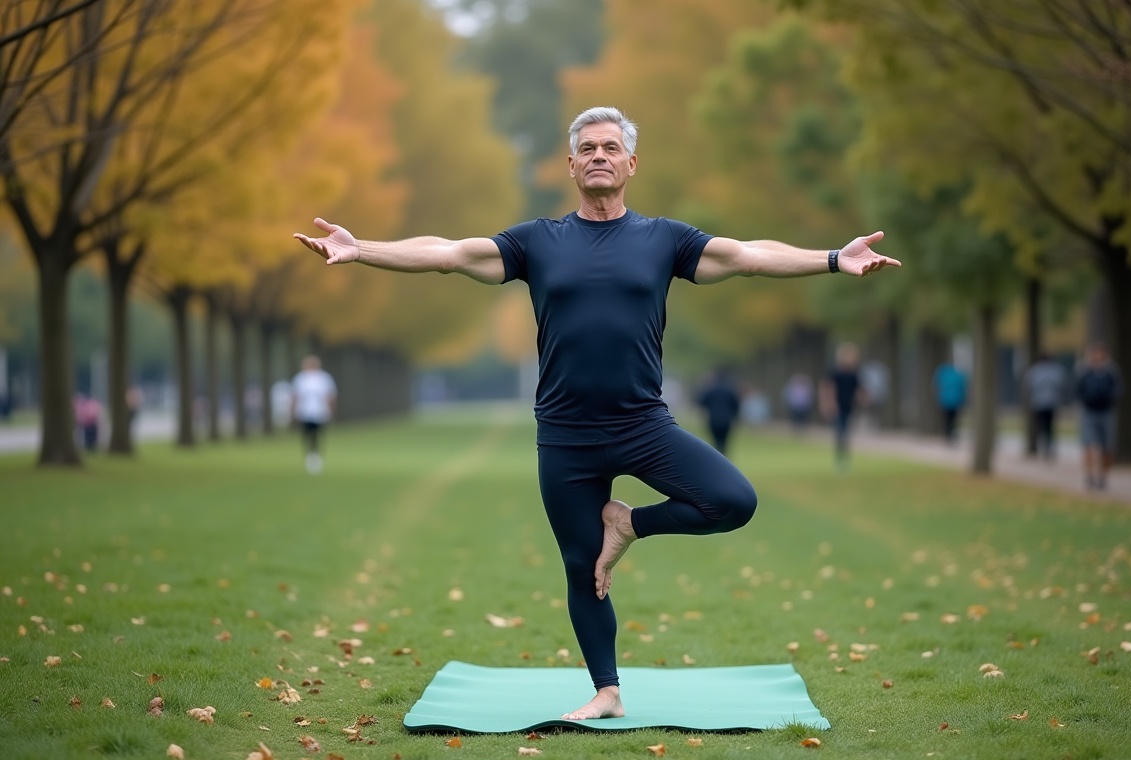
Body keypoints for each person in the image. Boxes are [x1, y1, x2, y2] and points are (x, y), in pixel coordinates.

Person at [294, 106, 900, 721]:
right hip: (566, 438)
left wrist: (831, 257)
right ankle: (606, 690)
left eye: (611, 147)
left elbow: (746, 255)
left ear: (631, 164)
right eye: (588, 148)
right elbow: (449, 252)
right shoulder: (537, 242)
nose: (599, 156)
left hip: (644, 426)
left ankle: (629, 525)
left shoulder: (666, 240)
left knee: (733, 501)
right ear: (572, 165)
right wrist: (360, 248)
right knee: (582, 568)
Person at [1075, 342, 1121, 490]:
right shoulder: (1084, 372)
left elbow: (1118, 390)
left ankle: (1103, 477)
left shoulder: (1111, 372)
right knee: (1088, 445)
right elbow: (1077, 390)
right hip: (1089, 412)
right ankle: (1089, 476)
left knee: (1107, 448)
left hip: (1106, 412)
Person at [290, 356, 337, 475]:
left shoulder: (324, 378)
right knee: (306, 434)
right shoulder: (300, 379)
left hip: (320, 412)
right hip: (304, 412)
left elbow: (330, 395)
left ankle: (316, 456)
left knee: (318, 434)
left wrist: (331, 410)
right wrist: (292, 410)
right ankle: (310, 456)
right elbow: (295, 396)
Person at [820, 344, 864, 468]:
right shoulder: (835, 373)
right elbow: (828, 388)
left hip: (848, 406)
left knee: (846, 431)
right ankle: (840, 458)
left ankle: (844, 457)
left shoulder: (853, 375)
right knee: (840, 431)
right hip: (837, 406)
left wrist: (862, 398)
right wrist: (828, 403)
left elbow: (858, 390)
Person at [1023, 351, 1067, 460]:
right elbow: (1062, 385)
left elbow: (1028, 386)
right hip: (1051, 402)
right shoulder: (1056, 370)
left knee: (1041, 427)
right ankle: (1048, 448)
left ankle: (1043, 448)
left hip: (1038, 403)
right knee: (1049, 427)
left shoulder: (1034, 370)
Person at [695, 369, 741, 456]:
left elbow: (702, 402)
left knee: (715, 440)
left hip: (714, 419)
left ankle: (717, 456)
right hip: (726, 420)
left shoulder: (710, 390)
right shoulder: (730, 390)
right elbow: (736, 405)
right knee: (724, 441)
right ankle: (724, 457)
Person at [932, 359, 968, 444]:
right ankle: (951, 433)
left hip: (945, 400)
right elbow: (963, 387)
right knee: (953, 419)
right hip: (956, 401)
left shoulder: (943, 373)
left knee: (947, 419)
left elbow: (936, 385)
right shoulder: (958, 374)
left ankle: (948, 435)